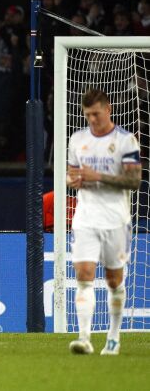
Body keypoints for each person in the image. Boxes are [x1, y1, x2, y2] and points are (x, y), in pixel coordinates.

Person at [65, 88, 141, 355]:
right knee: (84, 275)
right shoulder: (77, 139)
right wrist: (72, 180)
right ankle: (84, 338)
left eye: (96, 114)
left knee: (114, 281)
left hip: (115, 220)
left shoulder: (125, 141)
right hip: (85, 218)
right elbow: (71, 174)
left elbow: (134, 181)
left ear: (108, 110)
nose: (92, 120)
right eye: (88, 115)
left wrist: (98, 176)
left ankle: (113, 336)